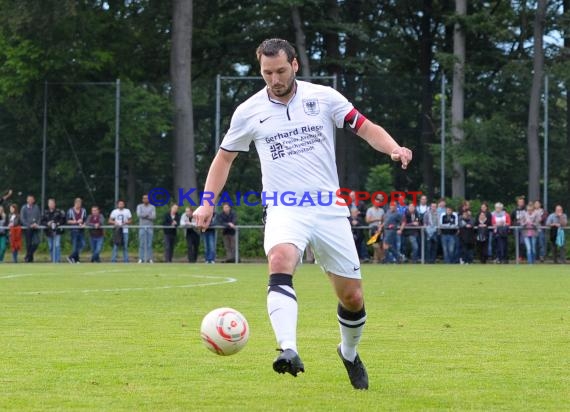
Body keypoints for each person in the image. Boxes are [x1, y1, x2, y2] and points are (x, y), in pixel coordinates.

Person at [193, 39, 412, 390]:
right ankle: (288, 349)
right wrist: (206, 202)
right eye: (267, 73)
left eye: (280, 71)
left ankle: (349, 353)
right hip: (284, 205)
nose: (274, 79)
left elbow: (366, 127)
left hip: (328, 207)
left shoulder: (324, 97)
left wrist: (394, 148)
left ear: (294, 65)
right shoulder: (248, 111)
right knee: (280, 259)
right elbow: (224, 158)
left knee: (353, 298)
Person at [41, 198, 66, 263]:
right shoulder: (45, 212)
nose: (51, 204)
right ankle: (53, 260)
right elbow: (42, 221)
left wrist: (58, 223)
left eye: (52, 203)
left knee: (57, 246)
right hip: (49, 232)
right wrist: (47, 223)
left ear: (54, 204)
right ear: (48, 204)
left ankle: (57, 260)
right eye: (50, 203)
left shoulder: (59, 211)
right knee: (51, 247)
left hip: (57, 232)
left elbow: (63, 219)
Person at [20, 195, 41, 262]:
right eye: (29, 199)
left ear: (34, 200)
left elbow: (39, 217)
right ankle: (30, 259)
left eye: (32, 199)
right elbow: (22, 219)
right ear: (27, 200)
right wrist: (29, 225)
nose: (30, 201)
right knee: (28, 244)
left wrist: (37, 224)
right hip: (28, 229)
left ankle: (27, 256)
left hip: (35, 228)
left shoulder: (36, 207)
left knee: (36, 242)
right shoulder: (24, 208)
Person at [136, 194, 156, 263]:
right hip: (141, 227)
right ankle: (141, 258)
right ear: (142, 199)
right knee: (141, 243)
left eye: (147, 198)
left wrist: (144, 215)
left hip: (150, 227)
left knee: (149, 244)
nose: (146, 200)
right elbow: (139, 215)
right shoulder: (139, 206)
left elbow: (153, 216)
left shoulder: (152, 207)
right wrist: (147, 215)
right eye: (144, 198)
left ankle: (149, 258)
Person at [365, 194, 385, 263]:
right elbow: (367, 220)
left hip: (379, 229)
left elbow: (383, 220)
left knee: (379, 244)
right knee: (375, 245)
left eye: (378, 202)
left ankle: (375, 260)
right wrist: (376, 219)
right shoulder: (370, 210)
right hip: (372, 229)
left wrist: (380, 226)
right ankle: (382, 257)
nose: (377, 203)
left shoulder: (381, 210)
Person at [66, 198, 87, 263]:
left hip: (81, 230)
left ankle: (72, 257)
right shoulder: (70, 210)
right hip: (74, 231)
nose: (79, 205)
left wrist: (84, 224)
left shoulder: (83, 210)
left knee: (83, 244)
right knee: (75, 246)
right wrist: (75, 222)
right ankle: (76, 259)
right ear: (75, 203)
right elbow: (68, 221)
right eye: (78, 203)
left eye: (80, 203)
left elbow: (85, 220)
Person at [511, 196, 526, 262]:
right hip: (516, 228)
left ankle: (522, 256)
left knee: (522, 242)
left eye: (522, 202)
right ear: (517, 203)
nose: (521, 203)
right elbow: (511, 218)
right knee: (517, 243)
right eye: (519, 202)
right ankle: (518, 256)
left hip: (523, 228)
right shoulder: (514, 210)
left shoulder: (526, 210)